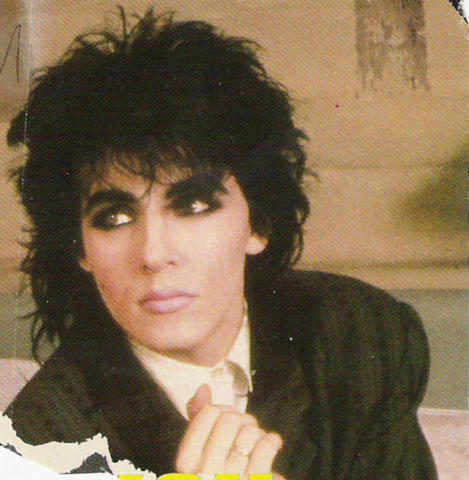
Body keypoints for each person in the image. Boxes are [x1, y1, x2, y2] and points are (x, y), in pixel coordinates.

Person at [5, 8, 437, 480]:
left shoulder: (358, 333)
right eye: (114, 217)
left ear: (258, 223)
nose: (153, 254)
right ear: (79, 249)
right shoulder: (38, 448)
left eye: (193, 206)